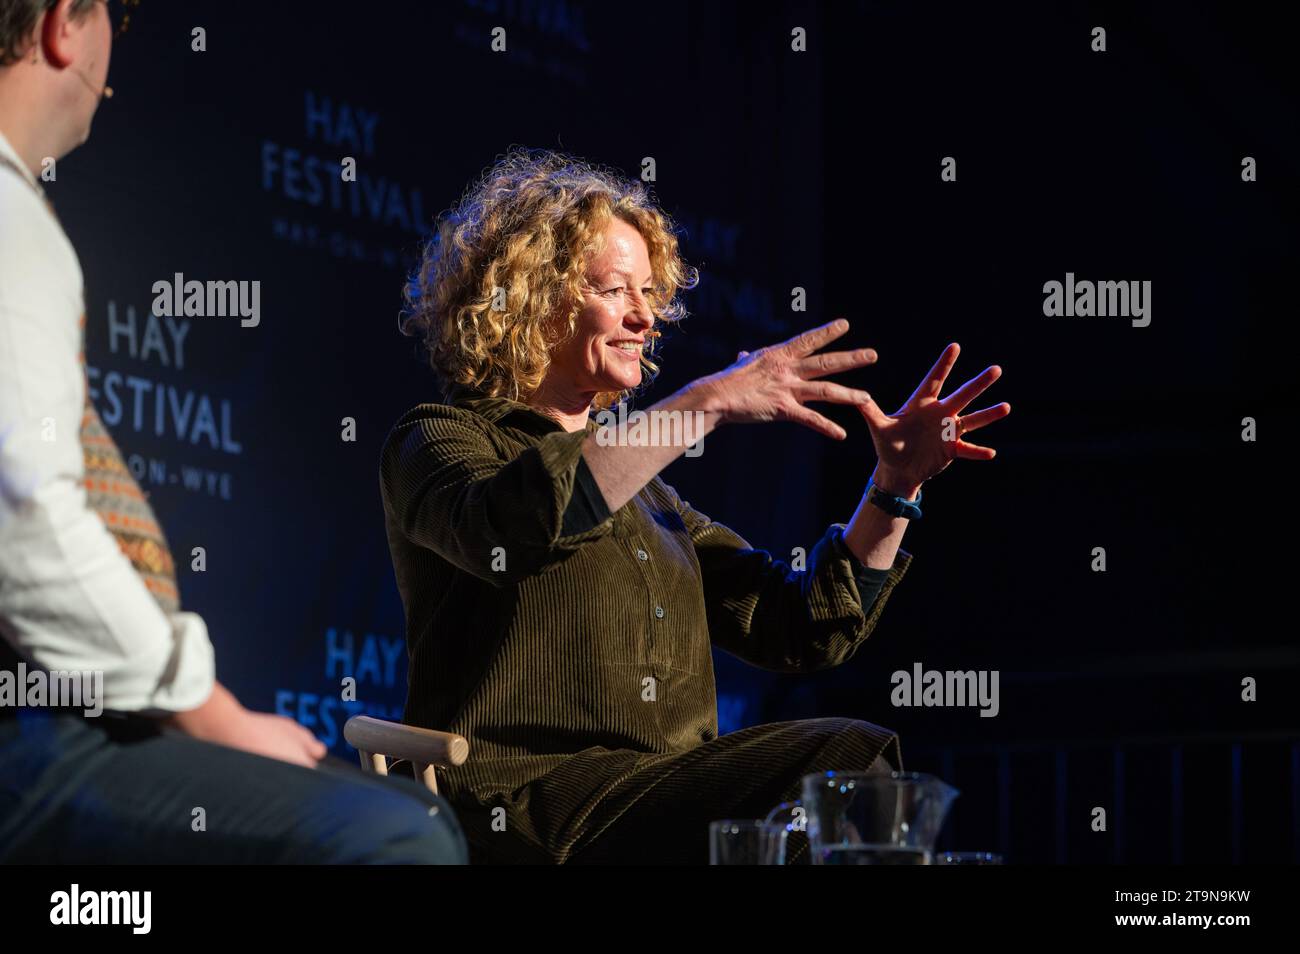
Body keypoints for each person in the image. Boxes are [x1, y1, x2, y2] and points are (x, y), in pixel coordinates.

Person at [383, 147, 1011, 864]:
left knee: (842, 774)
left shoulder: (650, 496)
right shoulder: (439, 438)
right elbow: (515, 526)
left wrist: (894, 488)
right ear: (531, 296)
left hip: (655, 803)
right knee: (846, 754)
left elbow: (799, 624)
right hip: (528, 811)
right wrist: (706, 403)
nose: (644, 317)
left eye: (650, 294)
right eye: (616, 290)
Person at [0, 0, 468, 864]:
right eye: (117, 22)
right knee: (407, 834)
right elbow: (22, 512)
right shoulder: (9, 217)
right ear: (66, 24)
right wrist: (209, 713)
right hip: (26, 741)